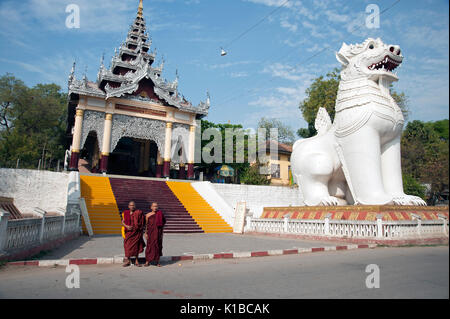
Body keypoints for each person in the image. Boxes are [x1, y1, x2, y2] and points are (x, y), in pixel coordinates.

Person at [121, 201, 145, 267]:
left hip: (136, 232)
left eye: (133, 205)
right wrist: (127, 226)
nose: (132, 206)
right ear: (128, 206)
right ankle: (128, 261)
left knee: (136, 247)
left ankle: (137, 261)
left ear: (135, 206)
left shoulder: (139, 213)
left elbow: (142, 222)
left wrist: (139, 229)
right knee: (127, 246)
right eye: (131, 205)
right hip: (128, 233)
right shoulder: (125, 213)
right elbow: (122, 222)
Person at [144, 202, 166, 267]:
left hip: (158, 233)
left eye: (156, 206)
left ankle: (157, 262)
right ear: (151, 207)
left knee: (157, 246)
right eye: (154, 206)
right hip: (150, 234)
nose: (155, 208)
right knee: (149, 247)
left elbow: (162, 224)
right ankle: (147, 261)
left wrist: (162, 233)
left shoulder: (160, 214)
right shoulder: (148, 215)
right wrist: (145, 233)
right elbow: (146, 225)